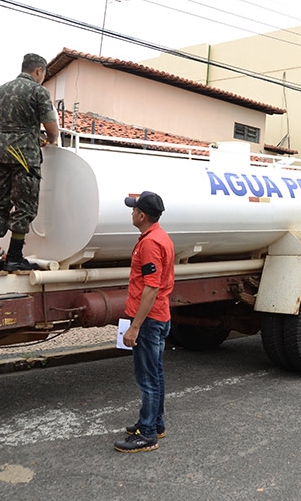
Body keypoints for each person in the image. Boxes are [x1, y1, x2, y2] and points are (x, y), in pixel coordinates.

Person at [0, 53, 59, 272]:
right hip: (24, 155)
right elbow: (51, 128)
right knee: (24, 205)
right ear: (38, 71)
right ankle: (15, 257)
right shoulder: (38, 91)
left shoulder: (0, 90)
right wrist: (49, 140)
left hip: (0, 152)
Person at [114, 191, 175, 453]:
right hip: (159, 315)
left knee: (148, 378)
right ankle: (155, 424)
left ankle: (147, 433)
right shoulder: (159, 237)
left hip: (149, 320)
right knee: (156, 374)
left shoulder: (150, 243)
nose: (131, 212)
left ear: (141, 215)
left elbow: (151, 286)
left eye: (134, 209)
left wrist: (135, 326)